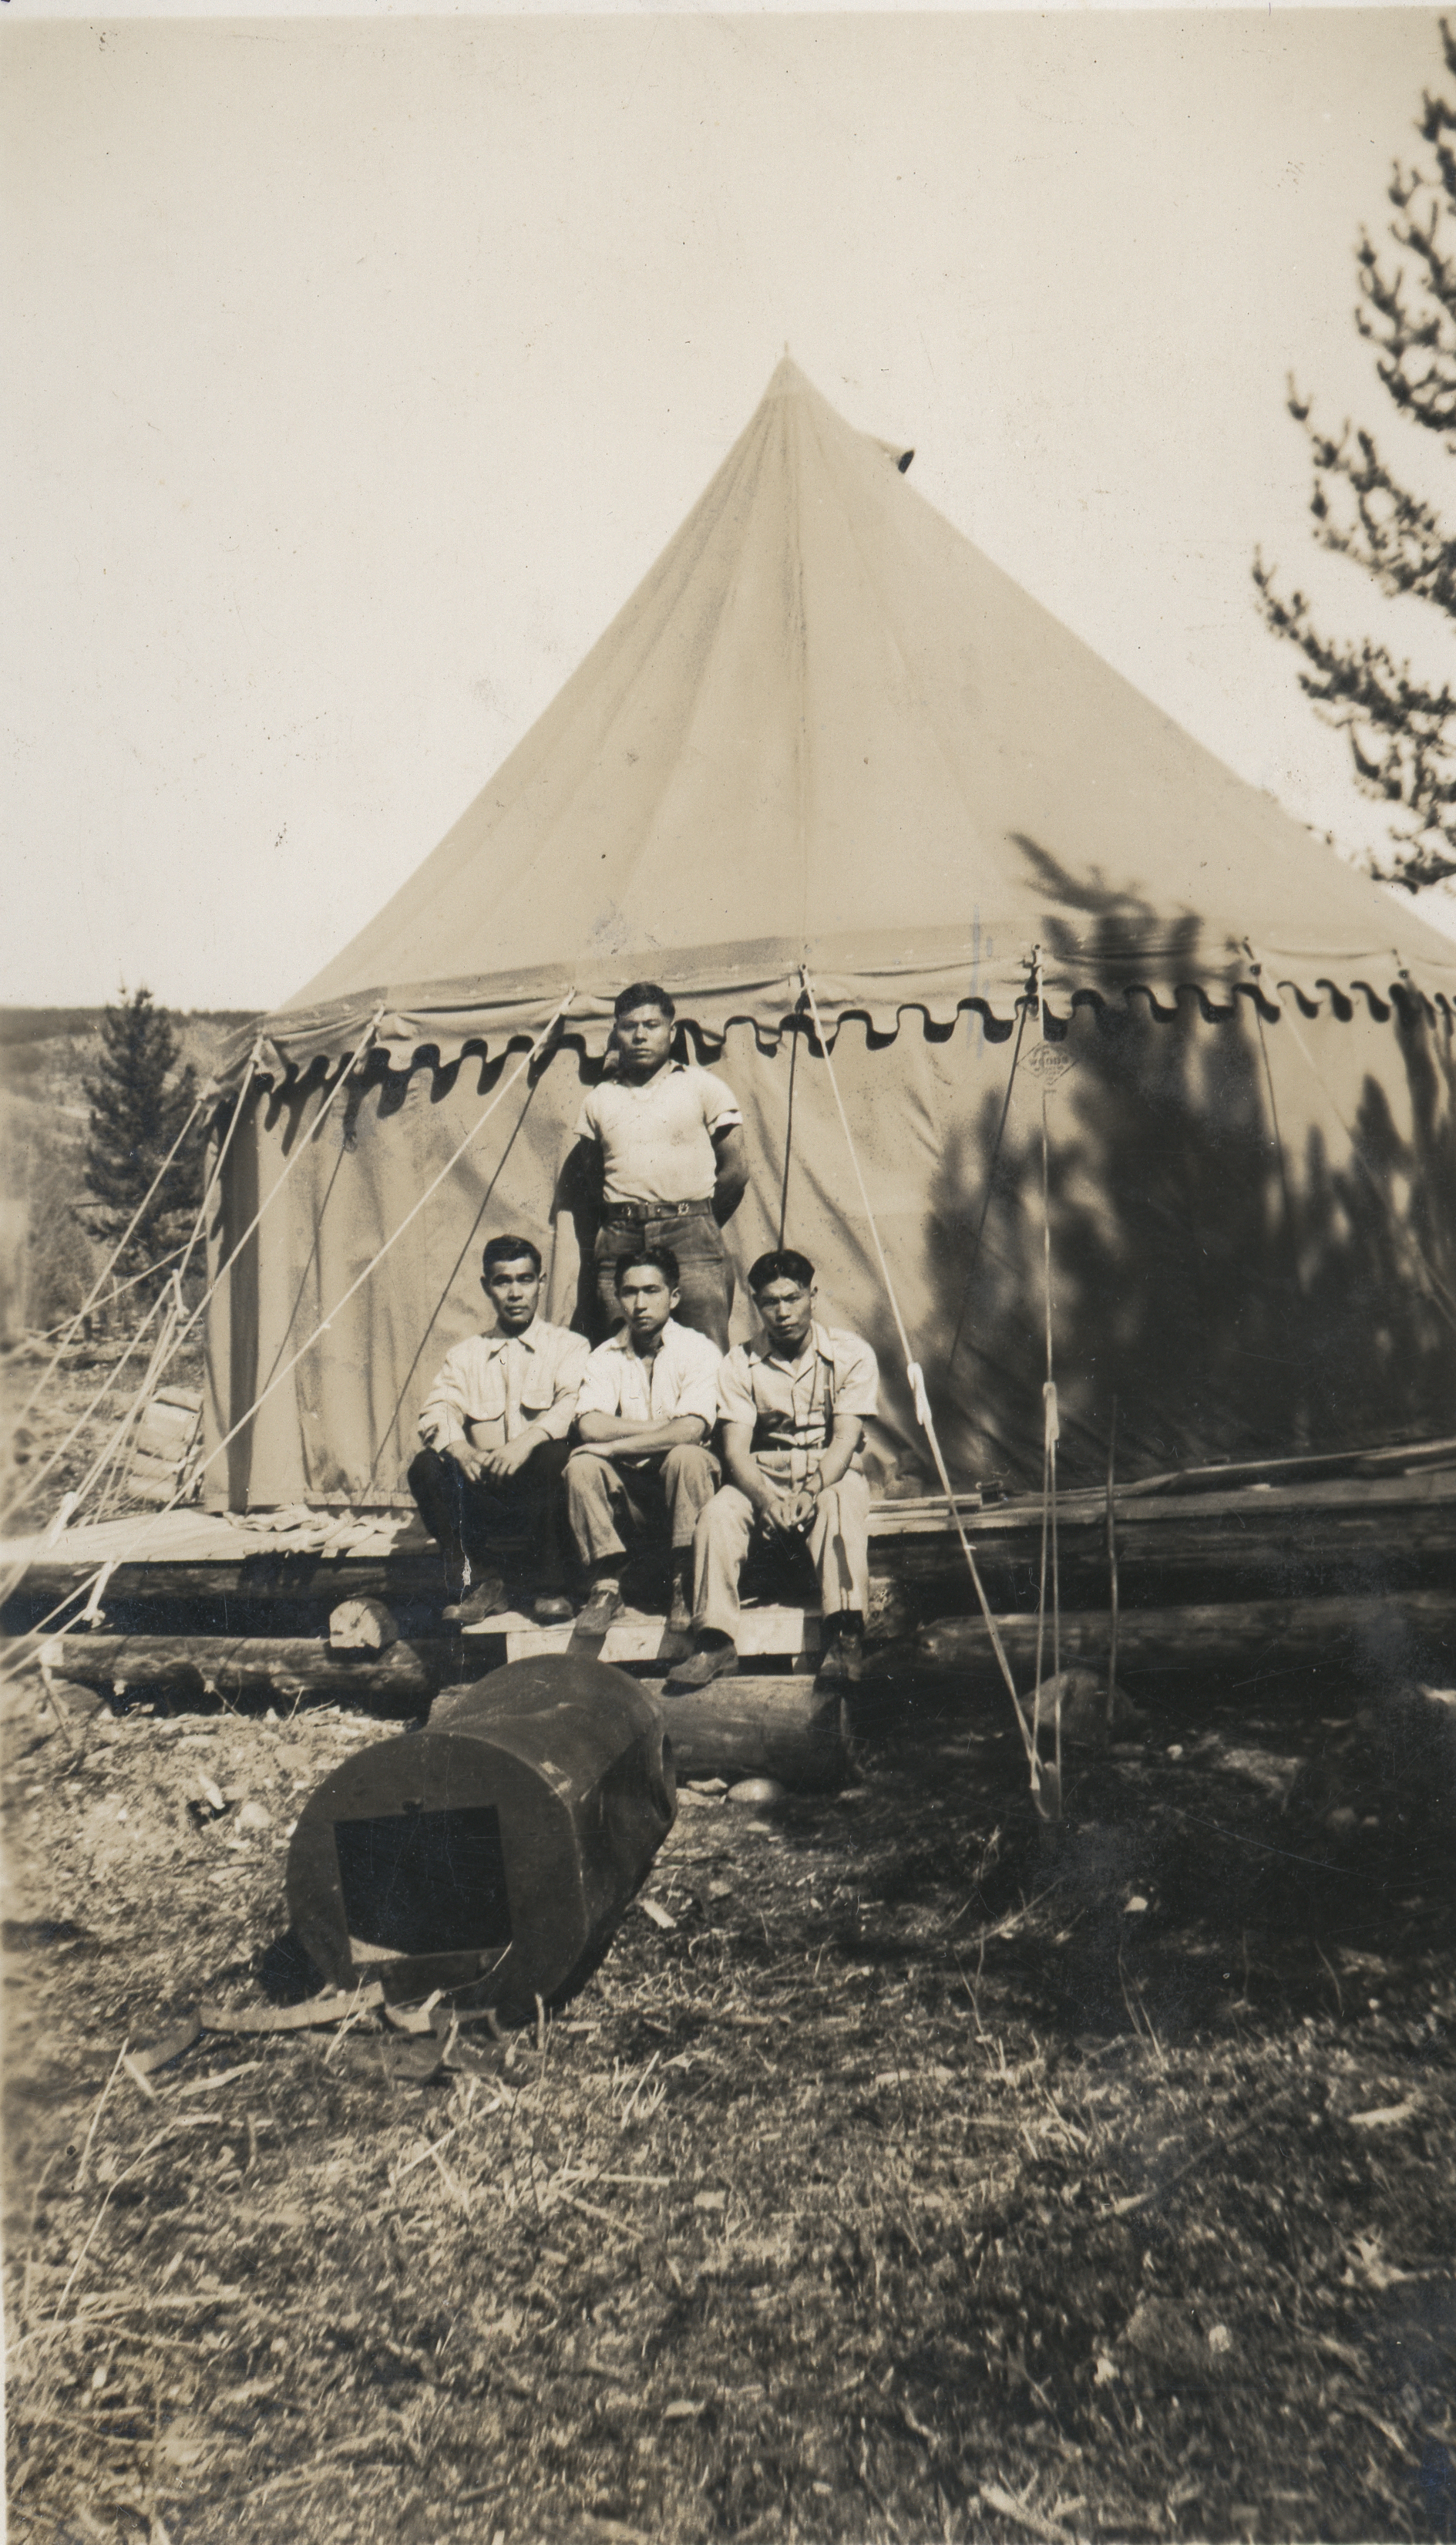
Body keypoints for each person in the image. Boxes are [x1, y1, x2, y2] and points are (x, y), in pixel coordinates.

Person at [667, 1249, 879, 1692]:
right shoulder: (739, 1363)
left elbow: (844, 1439)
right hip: (764, 1472)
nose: (782, 1313)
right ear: (755, 1304)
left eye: (793, 1298)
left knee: (838, 1504)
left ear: (812, 1296)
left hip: (831, 1470)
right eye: (769, 1302)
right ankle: (715, 1641)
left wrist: (813, 1488)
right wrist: (765, 1500)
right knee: (718, 1513)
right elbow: (737, 1451)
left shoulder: (850, 1353)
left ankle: (844, 1634)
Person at [409, 1234, 589, 1625]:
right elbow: (436, 1409)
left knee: (555, 1453)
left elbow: (572, 1403)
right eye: (502, 1281)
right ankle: (482, 1584)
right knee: (427, 1466)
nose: (515, 1293)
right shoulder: (465, 1355)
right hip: (490, 1492)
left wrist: (523, 1445)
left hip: (544, 1496)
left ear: (541, 1282)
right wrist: (462, 1448)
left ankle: (551, 1588)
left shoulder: (568, 1346)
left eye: (525, 1280)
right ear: (486, 1287)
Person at [569, 981, 748, 1351]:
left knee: (706, 1347)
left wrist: (701, 1218)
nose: (639, 1035)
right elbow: (591, 1176)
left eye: (650, 1025)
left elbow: (735, 1170)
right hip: (620, 1235)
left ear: (672, 1031)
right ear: (616, 1032)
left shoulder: (703, 1087)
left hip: (692, 1236)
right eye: (629, 1026)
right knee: (618, 1350)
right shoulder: (599, 1100)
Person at [565, 1246, 723, 1634]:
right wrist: (662, 1426)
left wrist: (615, 1445)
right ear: (618, 1297)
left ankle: (685, 1581)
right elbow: (591, 1427)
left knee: (687, 1456)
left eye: (652, 1291)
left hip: (686, 1490)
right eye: (630, 1292)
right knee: (582, 1464)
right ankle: (607, 1587)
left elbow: (693, 1430)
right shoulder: (605, 1356)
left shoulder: (699, 1350)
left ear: (674, 1296)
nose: (640, 1304)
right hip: (631, 1496)